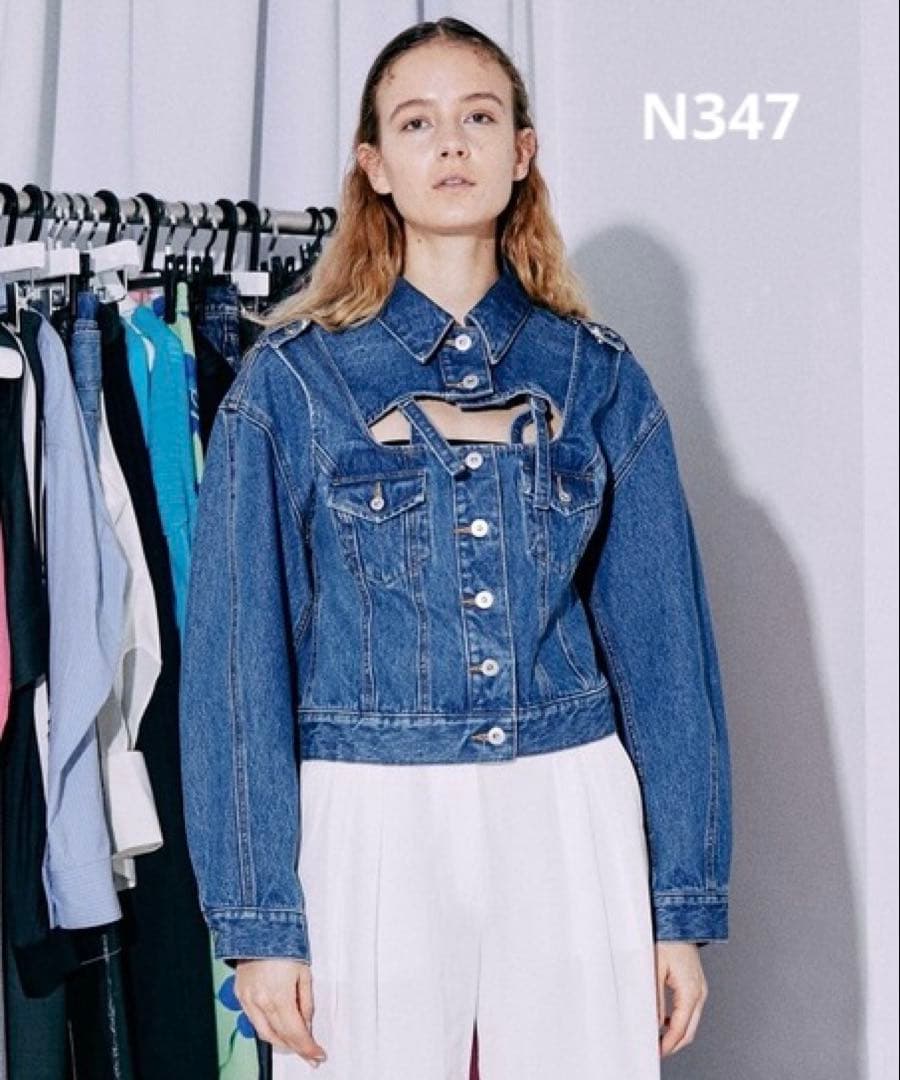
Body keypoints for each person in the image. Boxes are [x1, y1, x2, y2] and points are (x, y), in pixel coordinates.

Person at [179, 16, 732, 1080]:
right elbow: (237, 668)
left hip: (566, 800)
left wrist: (680, 908)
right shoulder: (290, 384)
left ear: (522, 152)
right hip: (368, 806)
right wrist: (259, 924)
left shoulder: (597, 375)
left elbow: (667, 658)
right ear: (374, 165)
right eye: (417, 123)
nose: (450, 145)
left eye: (478, 118)